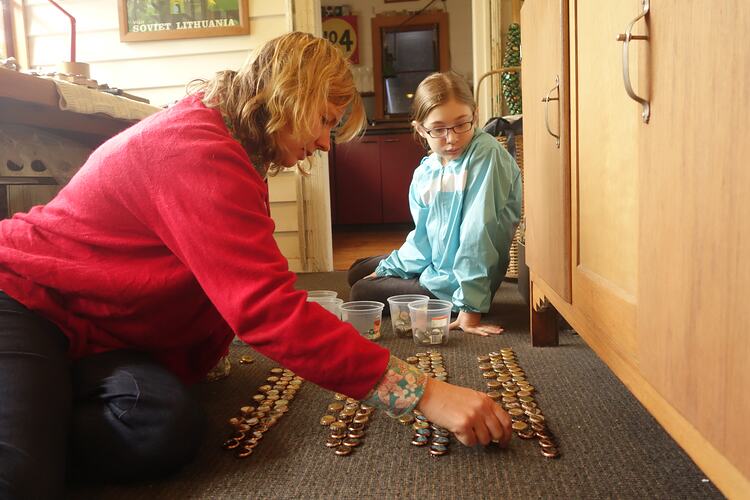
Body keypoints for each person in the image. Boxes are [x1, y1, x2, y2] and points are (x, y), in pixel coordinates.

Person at [0, 33, 511, 499]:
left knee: (160, 428)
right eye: (325, 122)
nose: (321, 144)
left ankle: (45, 394)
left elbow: (236, 281)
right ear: (289, 97)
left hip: (99, 329)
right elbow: (266, 310)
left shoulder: (232, 143)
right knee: (21, 474)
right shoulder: (197, 150)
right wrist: (424, 394)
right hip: (26, 299)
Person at [348, 71, 523, 336]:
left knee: (360, 290)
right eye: (439, 129)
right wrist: (390, 268)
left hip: (454, 284)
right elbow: (423, 238)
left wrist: (470, 309)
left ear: (475, 116)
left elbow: (479, 234)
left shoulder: (487, 156)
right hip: (436, 265)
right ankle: (401, 275)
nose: (451, 138)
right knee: (359, 269)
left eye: (461, 124)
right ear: (420, 128)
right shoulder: (427, 170)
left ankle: (456, 302)